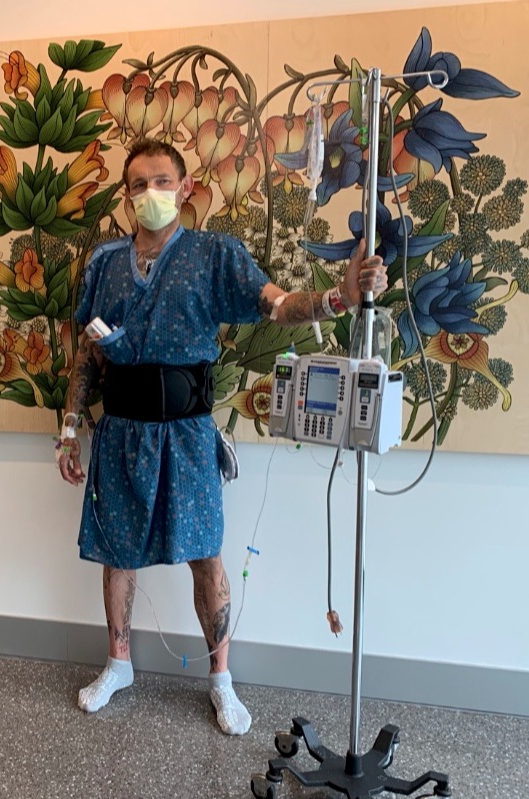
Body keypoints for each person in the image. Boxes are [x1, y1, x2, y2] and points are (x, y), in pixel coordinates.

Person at [57, 137, 387, 735]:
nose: (151, 193)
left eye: (162, 181)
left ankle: (221, 679)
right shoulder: (104, 263)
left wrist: (337, 297)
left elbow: (278, 306)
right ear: (126, 195)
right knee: (117, 553)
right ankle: (119, 663)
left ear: (185, 188)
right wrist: (69, 426)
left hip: (187, 436)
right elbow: (88, 353)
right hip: (121, 432)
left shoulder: (215, 255)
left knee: (206, 556)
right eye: (138, 184)